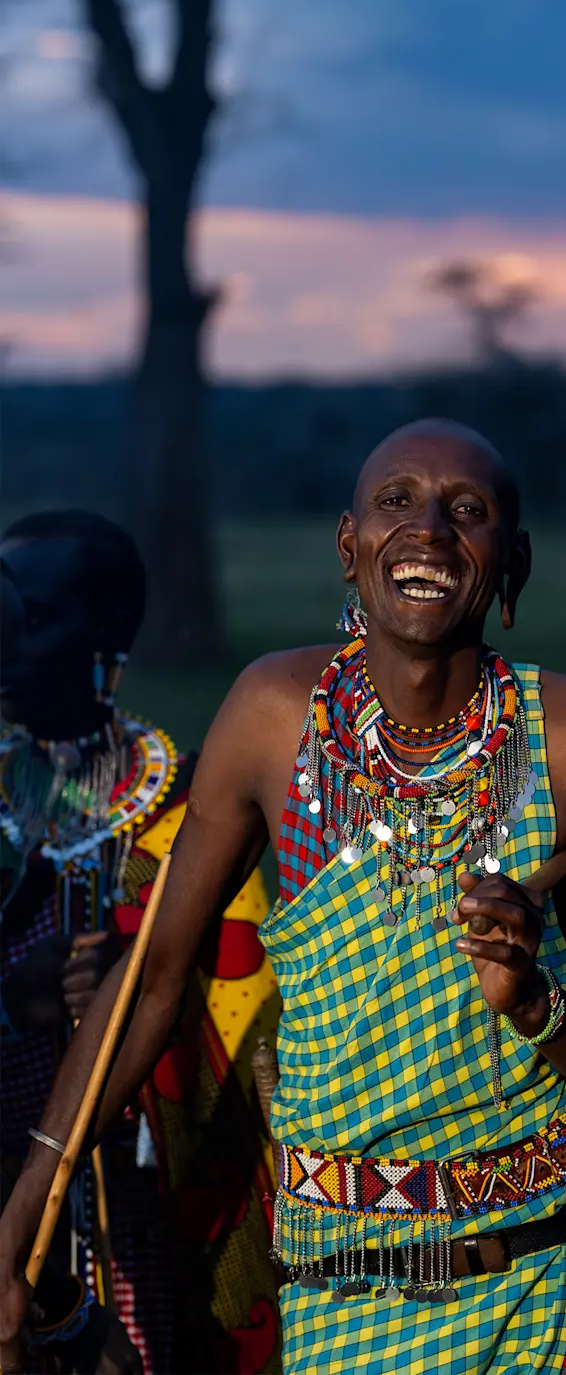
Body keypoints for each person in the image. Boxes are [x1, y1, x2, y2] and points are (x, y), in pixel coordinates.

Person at [1, 426, 566, 1374]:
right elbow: (153, 978)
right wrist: (28, 1201)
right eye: (397, 502)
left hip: (548, 1279)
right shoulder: (274, 714)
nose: (430, 531)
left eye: (467, 512)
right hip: (340, 1293)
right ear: (348, 547)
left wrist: (535, 1003)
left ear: (511, 565)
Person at [0, 510, 281, 1375]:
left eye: (30, 619)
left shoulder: (192, 805)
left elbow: (251, 1013)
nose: (6, 640)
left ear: (109, 633)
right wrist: (18, 1000)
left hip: (152, 1203)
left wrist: (142, 991)